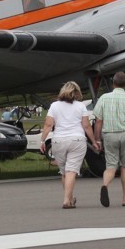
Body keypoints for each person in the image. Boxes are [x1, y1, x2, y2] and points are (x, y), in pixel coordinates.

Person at [40, 81, 100, 209]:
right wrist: (94, 141)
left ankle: (70, 198)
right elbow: (86, 126)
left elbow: (48, 125)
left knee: (64, 172)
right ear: (77, 92)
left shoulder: (54, 106)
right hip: (77, 140)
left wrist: (42, 140)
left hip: (58, 141)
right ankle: (67, 200)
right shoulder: (80, 106)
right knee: (71, 171)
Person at [91, 71, 125, 207]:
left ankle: (105, 185)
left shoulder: (103, 98)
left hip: (109, 134)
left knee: (111, 166)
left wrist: (97, 139)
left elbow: (99, 121)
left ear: (113, 83)